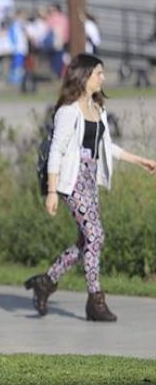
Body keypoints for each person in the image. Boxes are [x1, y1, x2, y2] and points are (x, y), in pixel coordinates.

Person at [25, 54, 156, 322]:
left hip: (90, 180)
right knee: (96, 236)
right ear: (84, 76)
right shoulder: (68, 111)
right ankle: (95, 300)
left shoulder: (98, 109)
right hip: (71, 183)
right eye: (99, 73)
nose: (103, 78)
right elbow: (56, 153)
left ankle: (46, 281)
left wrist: (139, 160)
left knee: (86, 241)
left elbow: (107, 147)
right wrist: (52, 192)